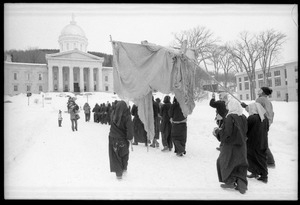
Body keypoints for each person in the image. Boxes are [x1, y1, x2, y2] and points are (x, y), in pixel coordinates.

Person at [214, 98, 248, 194]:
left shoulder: (230, 117)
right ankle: (242, 184)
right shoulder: (243, 117)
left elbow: (227, 133)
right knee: (239, 164)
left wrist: (217, 132)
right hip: (242, 145)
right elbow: (245, 131)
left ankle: (229, 182)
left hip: (230, 145)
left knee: (224, 161)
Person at [241, 86, 275, 168]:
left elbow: (255, 110)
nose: (258, 90)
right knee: (262, 141)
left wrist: (245, 106)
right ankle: (268, 161)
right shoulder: (267, 101)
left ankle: (268, 161)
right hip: (266, 123)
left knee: (258, 142)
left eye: (260, 89)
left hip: (260, 123)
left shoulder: (260, 100)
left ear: (263, 92)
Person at [108, 100, 134, 180]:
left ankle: (118, 174)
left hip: (112, 138)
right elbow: (129, 129)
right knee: (124, 155)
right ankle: (123, 170)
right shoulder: (127, 116)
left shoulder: (113, 114)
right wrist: (130, 138)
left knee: (115, 156)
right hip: (122, 139)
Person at [245, 102, 269, 183]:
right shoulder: (264, 118)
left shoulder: (252, 118)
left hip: (253, 143)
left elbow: (246, 129)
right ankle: (255, 172)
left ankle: (264, 176)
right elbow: (267, 129)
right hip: (263, 141)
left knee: (253, 158)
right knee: (261, 158)